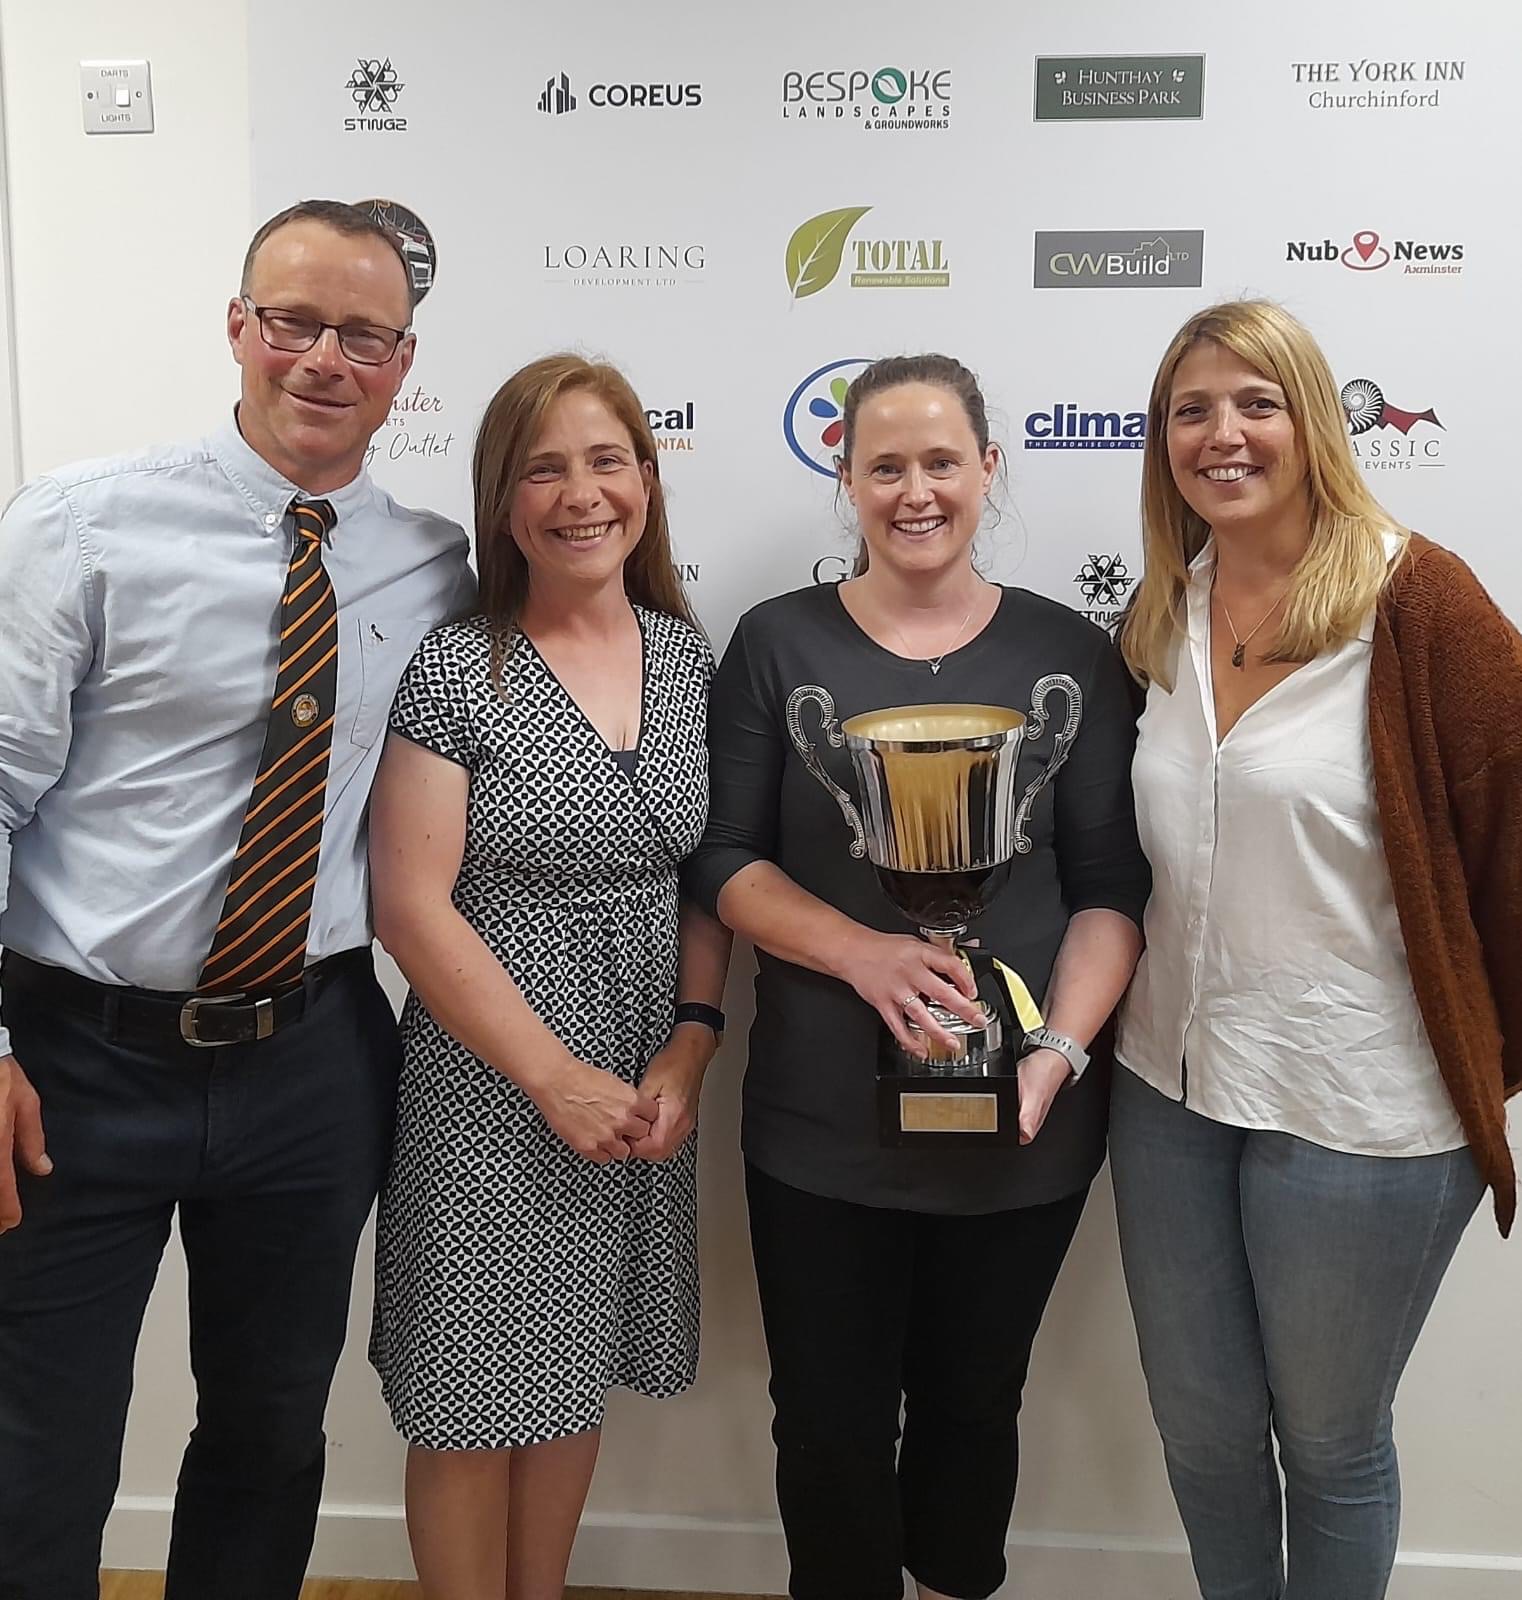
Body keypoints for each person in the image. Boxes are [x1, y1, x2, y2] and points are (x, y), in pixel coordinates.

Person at [0, 199, 473, 1600]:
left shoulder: (431, 564)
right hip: (77, 1064)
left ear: (402, 364)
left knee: (270, 1433)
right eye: (294, 323)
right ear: (237, 329)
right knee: (43, 1448)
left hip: (315, 1061)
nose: (325, 359)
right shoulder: (80, 528)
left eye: (365, 335)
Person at [685, 354, 1149, 1600]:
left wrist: (1057, 1051)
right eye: (883, 465)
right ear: (845, 477)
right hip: (819, 1128)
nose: (915, 490)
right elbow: (723, 858)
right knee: (826, 1428)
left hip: (1024, 1126)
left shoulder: (1073, 654)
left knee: (973, 1410)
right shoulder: (777, 643)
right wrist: (864, 951)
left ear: (988, 469)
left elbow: (1110, 886)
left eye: (941, 460)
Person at [1111, 298, 1522, 1600]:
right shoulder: (1161, 612)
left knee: (1332, 1447)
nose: (1220, 434)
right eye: (1190, 409)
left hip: (1361, 1113)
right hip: (1166, 1092)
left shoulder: (1417, 602)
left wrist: (1484, 1055)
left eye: (1254, 403)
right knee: (1204, 1441)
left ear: (1312, 423)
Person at [367, 353, 731, 1600]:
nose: (581, 495)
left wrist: (690, 1039)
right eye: (544, 468)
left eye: (606, 460)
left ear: (646, 476)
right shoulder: (459, 665)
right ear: (502, 500)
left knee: (567, 1373)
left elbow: (701, 880)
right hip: (488, 1076)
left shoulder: (686, 658)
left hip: (638, 1069)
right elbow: (409, 907)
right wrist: (551, 1076)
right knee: (470, 1396)